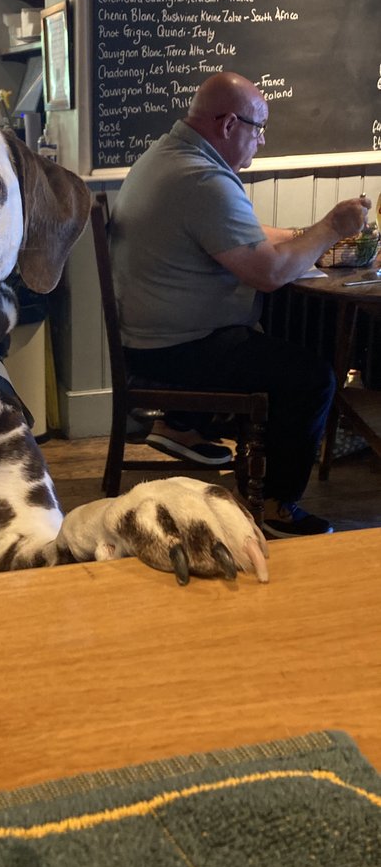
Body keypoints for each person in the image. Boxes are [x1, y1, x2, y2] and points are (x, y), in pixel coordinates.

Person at [109, 70, 371, 540]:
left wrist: (300, 237)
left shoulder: (170, 155)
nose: (262, 141)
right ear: (229, 125)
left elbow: (235, 235)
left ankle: (182, 426)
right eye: (259, 128)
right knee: (311, 378)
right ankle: (276, 507)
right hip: (174, 350)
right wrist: (331, 226)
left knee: (281, 333)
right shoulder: (202, 179)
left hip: (151, 336)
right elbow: (268, 273)